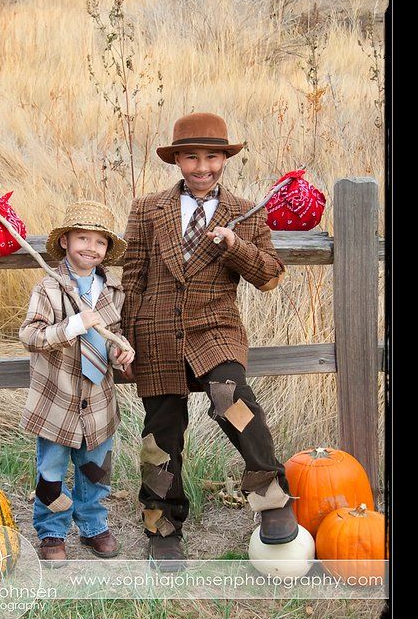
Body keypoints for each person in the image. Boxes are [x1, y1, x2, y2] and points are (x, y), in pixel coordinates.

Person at [120, 112, 297, 570]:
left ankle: (271, 496)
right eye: (192, 156)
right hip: (156, 335)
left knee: (231, 399)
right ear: (177, 160)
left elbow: (271, 276)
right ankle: (162, 526)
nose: (203, 166)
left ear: (225, 158)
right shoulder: (146, 209)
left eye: (213, 156)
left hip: (213, 329)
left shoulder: (245, 211)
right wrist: (124, 339)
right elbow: (134, 278)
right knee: (161, 435)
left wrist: (235, 245)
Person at [19, 200, 134, 561]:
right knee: (51, 469)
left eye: (100, 242)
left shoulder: (112, 292)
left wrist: (121, 352)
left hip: (99, 399)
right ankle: (52, 532)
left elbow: (113, 336)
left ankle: (93, 526)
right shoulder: (50, 288)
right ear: (66, 241)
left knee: (96, 468)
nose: (91, 248)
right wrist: (73, 325)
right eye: (82, 238)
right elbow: (31, 336)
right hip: (59, 399)